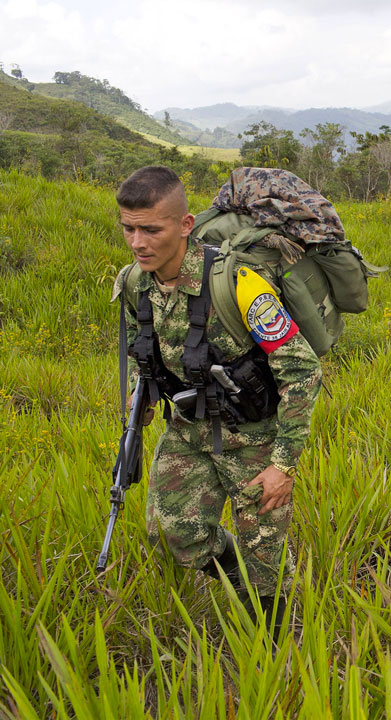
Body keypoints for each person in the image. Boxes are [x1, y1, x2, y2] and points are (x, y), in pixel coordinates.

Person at [111, 166, 322, 637]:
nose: (137, 242)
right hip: (187, 430)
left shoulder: (238, 283)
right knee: (172, 535)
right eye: (128, 228)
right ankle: (234, 571)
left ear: (185, 225)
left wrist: (283, 466)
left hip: (254, 440)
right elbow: (139, 345)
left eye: (151, 229)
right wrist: (139, 395)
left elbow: (303, 370)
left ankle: (271, 647)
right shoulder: (133, 283)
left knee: (264, 562)